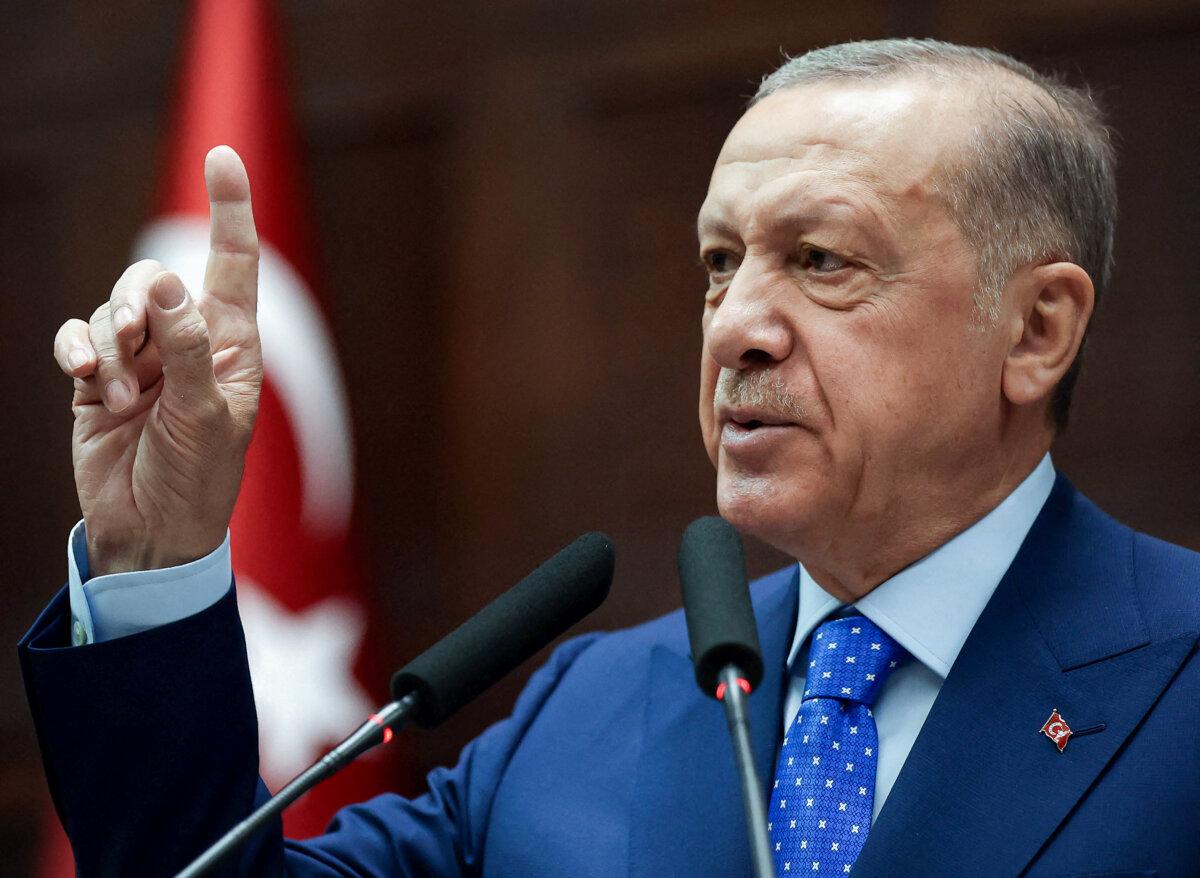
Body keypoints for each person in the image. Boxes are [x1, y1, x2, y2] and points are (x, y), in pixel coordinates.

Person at [20, 37, 1200, 877]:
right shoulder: (588, 714)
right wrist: (159, 547)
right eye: (720, 262)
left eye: (824, 259)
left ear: (1036, 329)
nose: (737, 322)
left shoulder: (1178, 680)